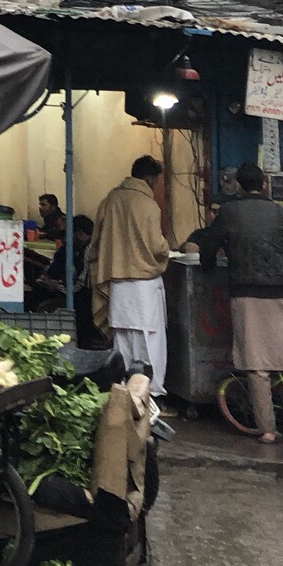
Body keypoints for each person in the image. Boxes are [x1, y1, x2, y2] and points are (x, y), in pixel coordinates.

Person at [197, 163, 283, 444]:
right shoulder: (280, 212)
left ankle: (268, 430)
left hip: (246, 295)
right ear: (264, 185)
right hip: (282, 291)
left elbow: (208, 250)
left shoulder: (228, 213)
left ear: (237, 185)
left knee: (257, 364)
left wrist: (210, 265)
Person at [88, 155, 170, 392]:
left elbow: (97, 242)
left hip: (117, 284)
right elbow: (156, 246)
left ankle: (123, 390)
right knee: (149, 343)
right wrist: (167, 250)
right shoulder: (147, 204)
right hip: (144, 286)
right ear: (150, 178)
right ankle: (151, 392)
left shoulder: (110, 200)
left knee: (122, 340)